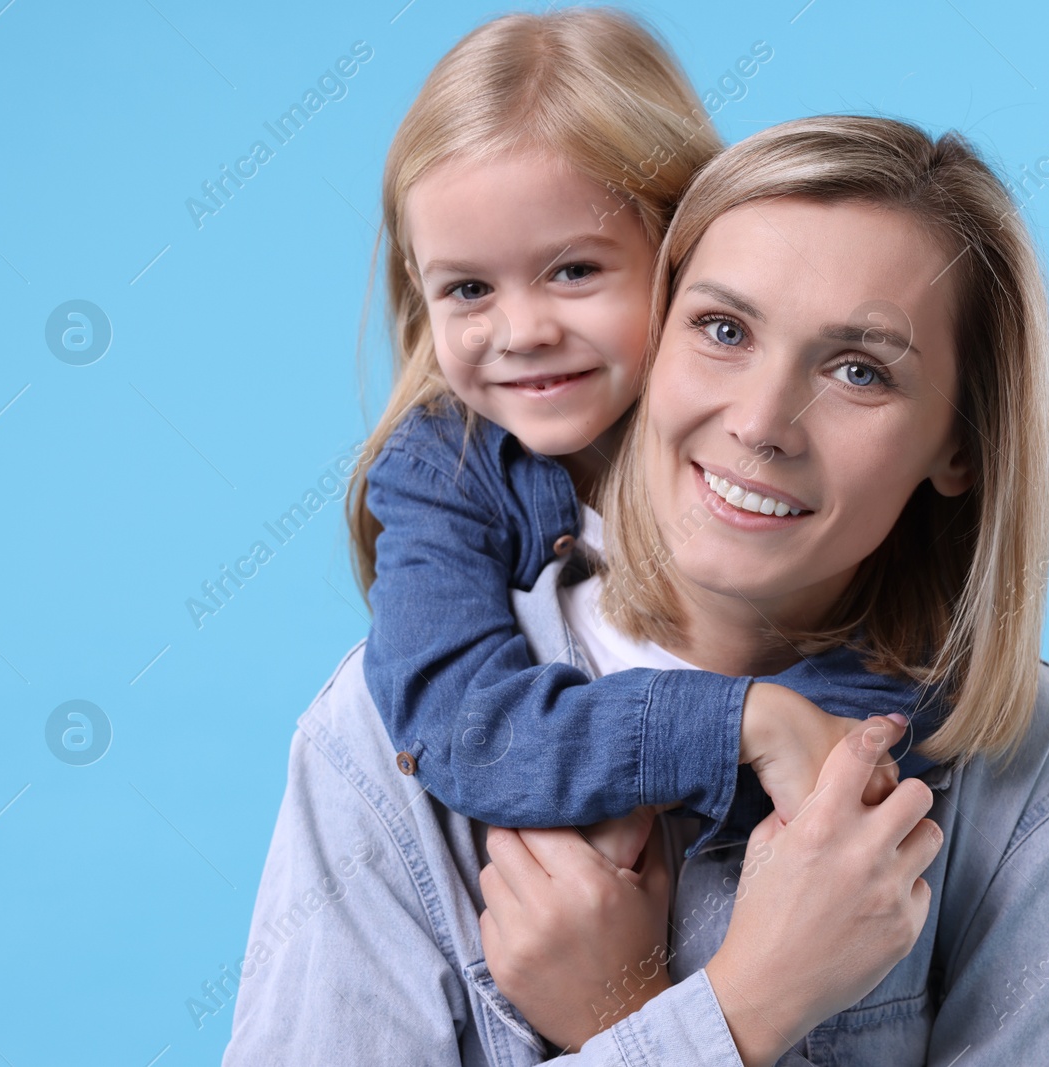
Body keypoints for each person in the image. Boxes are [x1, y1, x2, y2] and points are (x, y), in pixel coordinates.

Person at [223, 115, 1049, 1065]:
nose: (762, 423)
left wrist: (623, 1017)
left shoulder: (1031, 765)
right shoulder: (382, 734)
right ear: (653, 338)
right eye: (723, 329)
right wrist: (740, 1010)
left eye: (859, 370)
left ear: (960, 445)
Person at [351, 5, 929, 876]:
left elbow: (881, 726)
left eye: (574, 270)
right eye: (468, 288)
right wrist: (739, 722)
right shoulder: (444, 470)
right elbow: (467, 729)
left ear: (679, 250)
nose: (522, 330)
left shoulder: (774, 476)